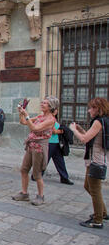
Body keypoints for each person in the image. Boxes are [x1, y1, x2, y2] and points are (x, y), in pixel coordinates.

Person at [70, 98, 109, 229]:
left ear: (98, 108)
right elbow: (90, 138)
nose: (89, 110)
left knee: (95, 190)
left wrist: (73, 130)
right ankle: (102, 212)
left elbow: (84, 139)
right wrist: (80, 129)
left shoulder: (98, 121)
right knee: (88, 186)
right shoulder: (103, 121)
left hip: (96, 160)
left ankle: (98, 220)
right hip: (96, 159)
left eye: (91, 108)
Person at [12, 97, 58, 206]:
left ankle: (40, 196)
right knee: (24, 169)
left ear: (51, 106)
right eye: (42, 102)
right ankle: (24, 193)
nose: (42, 104)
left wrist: (26, 114)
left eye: (45, 103)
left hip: (39, 148)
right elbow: (23, 122)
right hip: (31, 146)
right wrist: (21, 113)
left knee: (37, 174)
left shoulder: (51, 119)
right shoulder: (41, 116)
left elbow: (35, 128)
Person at [35, 109, 74, 185]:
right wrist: (62, 131)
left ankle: (64, 177)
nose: (55, 111)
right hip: (49, 143)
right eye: (54, 110)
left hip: (56, 143)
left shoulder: (55, 120)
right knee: (44, 160)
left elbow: (56, 130)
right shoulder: (48, 120)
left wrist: (61, 130)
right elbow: (54, 131)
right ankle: (37, 175)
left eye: (56, 110)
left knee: (60, 161)